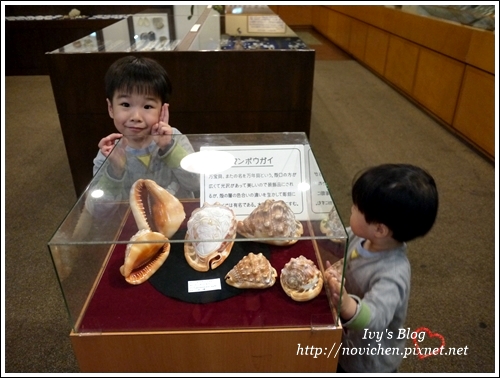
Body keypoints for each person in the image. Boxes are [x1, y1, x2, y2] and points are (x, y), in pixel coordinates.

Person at [324, 163, 439, 373]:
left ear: (379, 229)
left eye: (356, 208)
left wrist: (346, 304)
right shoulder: (361, 235)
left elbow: (375, 318)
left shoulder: (393, 273)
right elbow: (339, 239)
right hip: (347, 340)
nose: (351, 208)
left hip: (367, 361)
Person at [86, 55, 200, 218]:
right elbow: (99, 210)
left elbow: (195, 183)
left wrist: (168, 147)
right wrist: (115, 171)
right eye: (125, 104)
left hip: (178, 219)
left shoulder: (174, 138)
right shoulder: (109, 153)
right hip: (133, 226)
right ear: (111, 108)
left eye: (148, 106)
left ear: (162, 110)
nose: (136, 116)